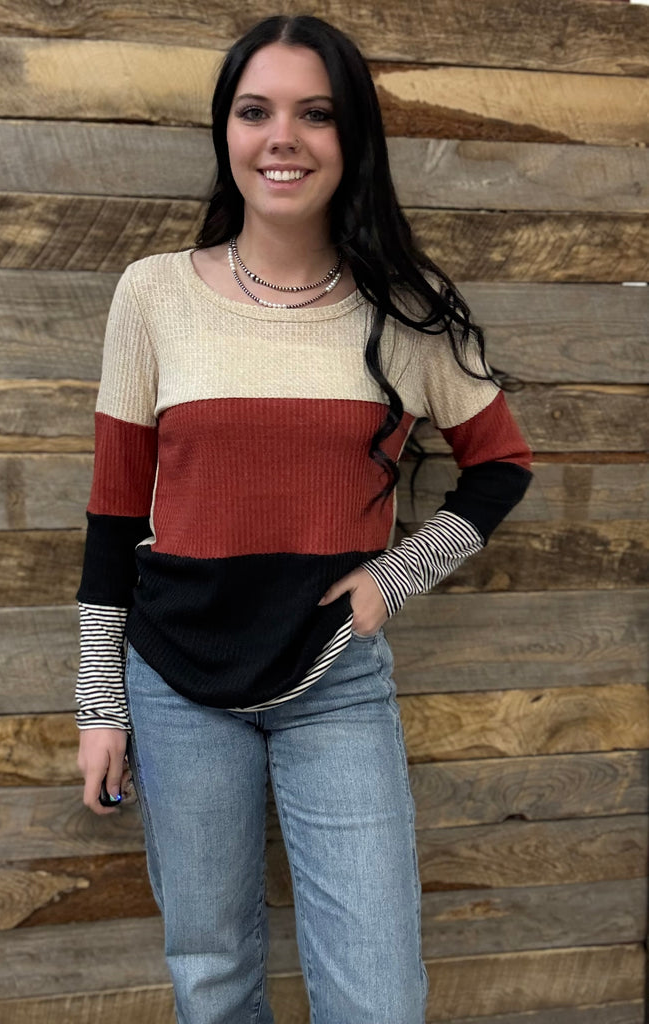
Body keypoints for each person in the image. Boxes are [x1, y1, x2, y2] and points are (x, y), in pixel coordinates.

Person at [74, 14, 532, 1024]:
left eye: (315, 113)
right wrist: (98, 702)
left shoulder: (407, 309)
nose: (282, 137)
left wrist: (393, 577)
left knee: (378, 993)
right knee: (211, 971)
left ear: (352, 135)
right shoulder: (152, 295)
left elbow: (501, 466)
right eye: (256, 111)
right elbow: (113, 513)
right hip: (175, 681)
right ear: (226, 131)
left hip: (335, 680)